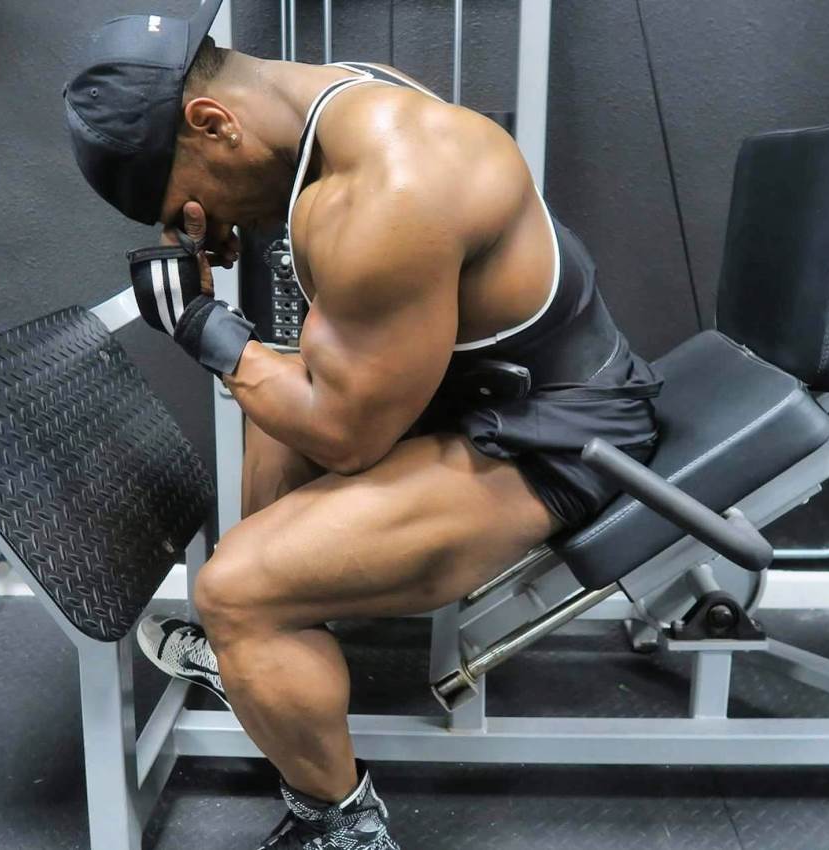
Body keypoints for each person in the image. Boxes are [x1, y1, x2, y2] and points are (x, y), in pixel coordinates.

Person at [63, 2, 662, 847]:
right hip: (472, 397)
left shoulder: (390, 187)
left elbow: (347, 438)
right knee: (274, 408)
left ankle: (339, 823)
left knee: (233, 589)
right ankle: (266, 641)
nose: (202, 229)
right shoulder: (342, 99)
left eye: (189, 205)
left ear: (211, 122)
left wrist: (201, 324)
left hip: (557, 435)